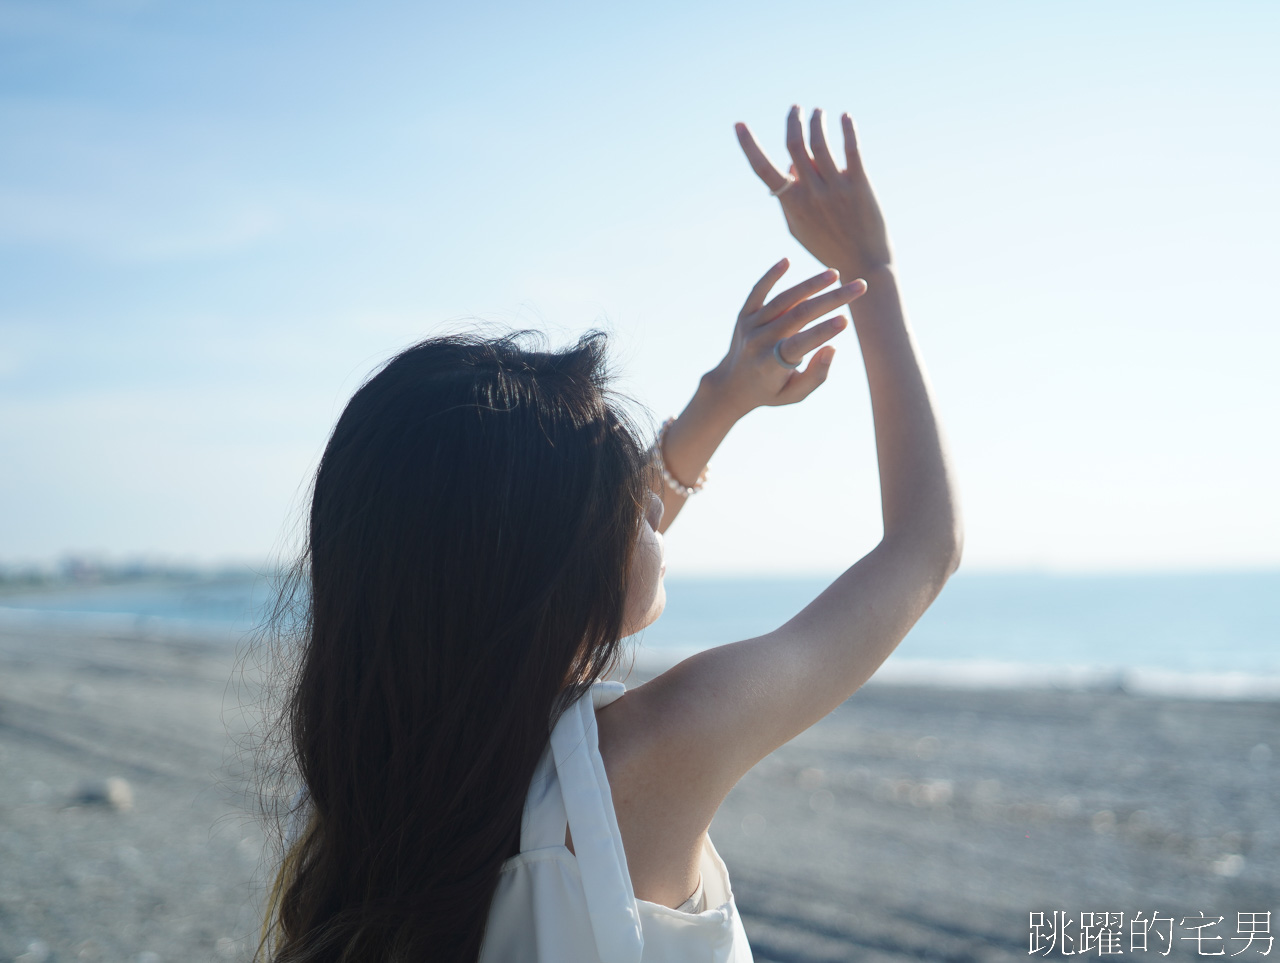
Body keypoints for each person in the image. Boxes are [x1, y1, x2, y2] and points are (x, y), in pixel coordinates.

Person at [255, 105, 962, 963]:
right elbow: (926, 546)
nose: (646, 503)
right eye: (614, 501)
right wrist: (870, 269)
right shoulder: (651, 754)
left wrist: (720, 397)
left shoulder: (384, 782)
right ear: (553, 572)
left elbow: (580, 540)